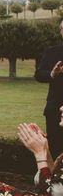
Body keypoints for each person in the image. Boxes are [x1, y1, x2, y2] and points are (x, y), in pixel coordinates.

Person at [35, 19, 63, 159]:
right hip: (55, 109)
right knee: (55, 147)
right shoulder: (52, 52)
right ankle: (54, 179)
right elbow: (39, 74)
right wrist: (52, 74)